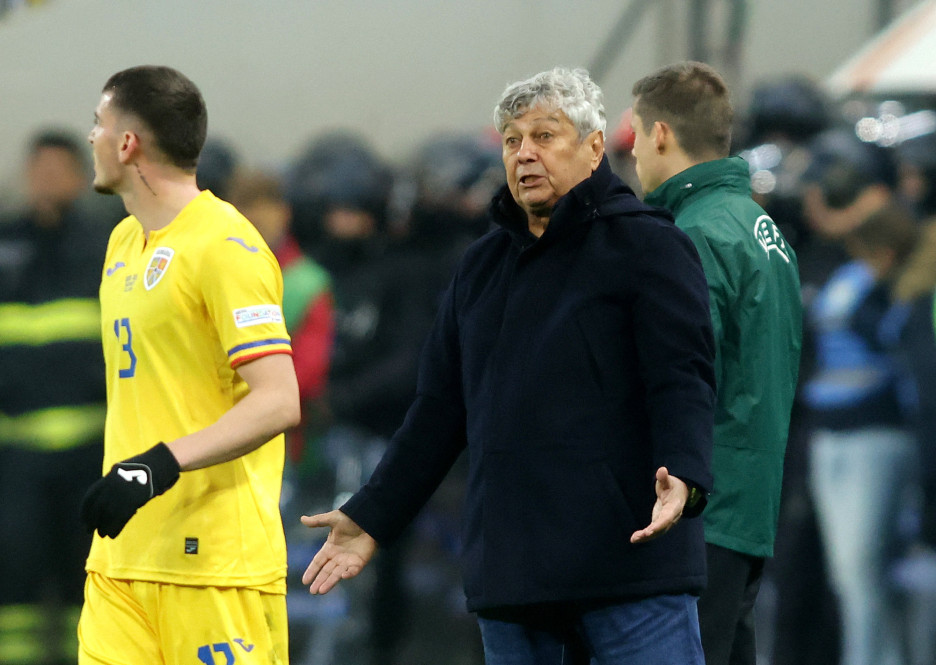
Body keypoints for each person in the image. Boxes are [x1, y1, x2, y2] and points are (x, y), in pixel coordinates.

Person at [301, 66, 717, 665]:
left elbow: (683, 377)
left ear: (595, 146)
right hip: (515, 577)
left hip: (629, 567)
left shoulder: (650, 245)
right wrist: (373, 515)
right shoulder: (480, 267)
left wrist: (684, 471)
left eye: (544, 136)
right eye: (512, 140)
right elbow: (439, 410)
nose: (524, 154)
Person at [77, 65, 300, 665]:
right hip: (121, 561)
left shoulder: (227, 246)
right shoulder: (122, 244)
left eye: (98, 124)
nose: (90, 138)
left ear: (128, 143)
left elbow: (280, 400)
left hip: (215, 567)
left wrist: (159, 464)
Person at [628, 61, 803, 665]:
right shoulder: (759, 225)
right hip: (747, 499)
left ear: (659, 135)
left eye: (633, 139)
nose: (632, 158)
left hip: (701, 505)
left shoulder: (694, 232)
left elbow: (688, 372)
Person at [0, 129, 117, 665]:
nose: (47, 178)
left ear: (79, 176)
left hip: (88, 450)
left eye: (58, 168)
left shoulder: (105, 245)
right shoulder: (4, 243)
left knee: (85, 578)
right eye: (38, 168)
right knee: (14, 581)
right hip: (14, 453)